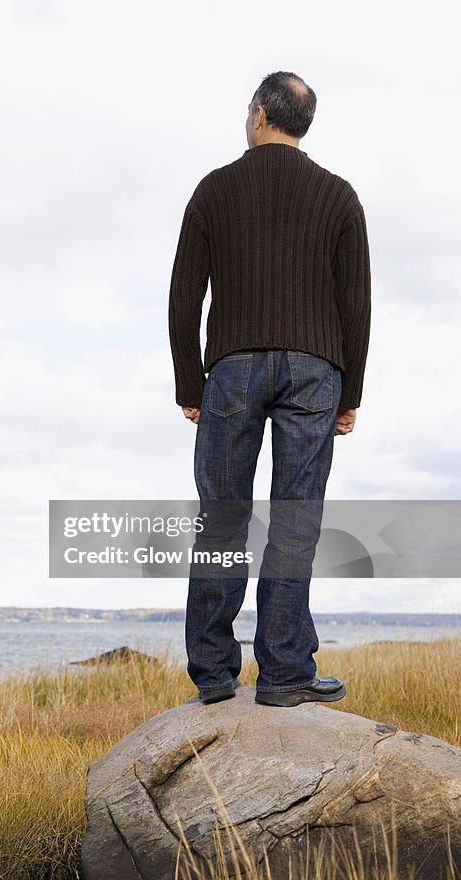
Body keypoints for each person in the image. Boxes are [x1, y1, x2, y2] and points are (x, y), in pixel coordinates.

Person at [168, 71, 371, 707]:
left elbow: (184, 297)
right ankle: (284, 674)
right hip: (316, 371)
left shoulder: (214, 189)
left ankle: (213, 676)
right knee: (294, 520)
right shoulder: (339, 196)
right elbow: (355, 305)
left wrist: (188, 381)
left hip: (231, 367)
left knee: (223, 517)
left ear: (259, 115)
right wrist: (350, 394)